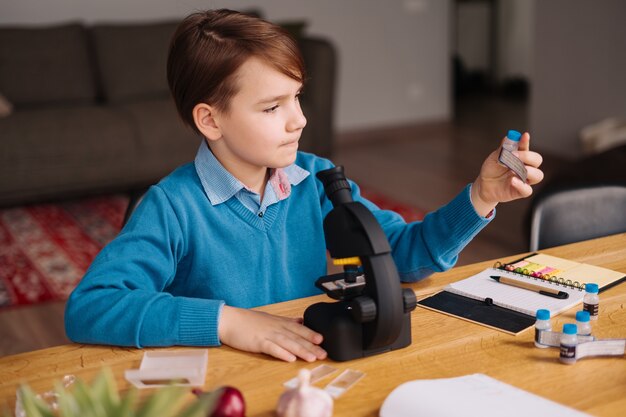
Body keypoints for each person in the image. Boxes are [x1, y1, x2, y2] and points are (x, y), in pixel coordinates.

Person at [65, 9, 544, 362]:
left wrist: (481, 196)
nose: (300, 119)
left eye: (296, 97)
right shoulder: (173, 206)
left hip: (306, 372)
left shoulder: (315, 180)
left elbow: (400, 253)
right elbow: (92, 306)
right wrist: (228, 321)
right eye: (272, 107)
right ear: (211, 120)